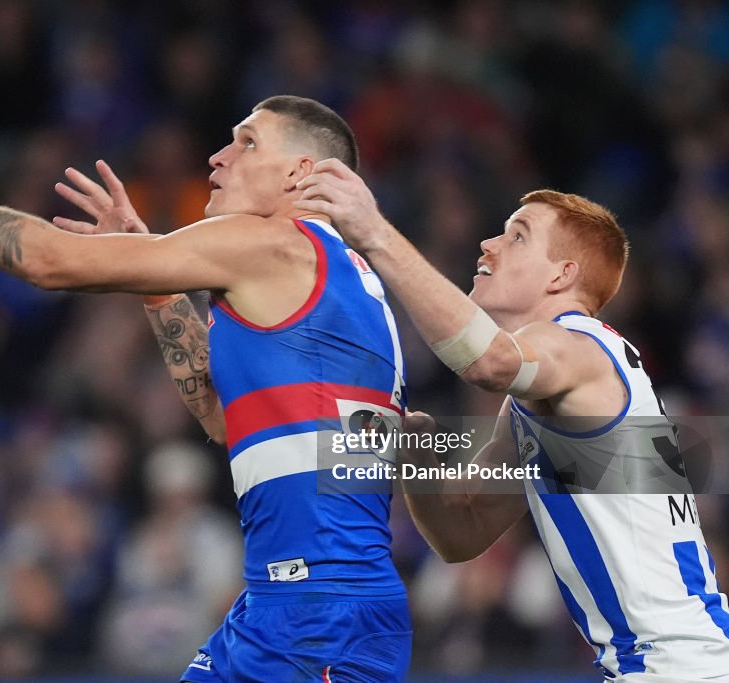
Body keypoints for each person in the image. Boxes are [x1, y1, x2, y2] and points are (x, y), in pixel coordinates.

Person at [0, 86, 412, 681]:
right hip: (296, 604)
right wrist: (158, 280)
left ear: (299, 174)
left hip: (315, 614)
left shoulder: (273, 240)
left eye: (246, 143)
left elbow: (47, 260)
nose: (218, 158)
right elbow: (226, 420)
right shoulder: (354, 286)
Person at [295, 159, 729, 682]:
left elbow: (488, 363)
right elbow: (463, 532)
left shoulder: (578, 345)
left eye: (517, 236)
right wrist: (414, 456)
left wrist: (376, 235)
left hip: (678, 668)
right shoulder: (554, 394)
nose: (488, 245)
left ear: (562, 274)